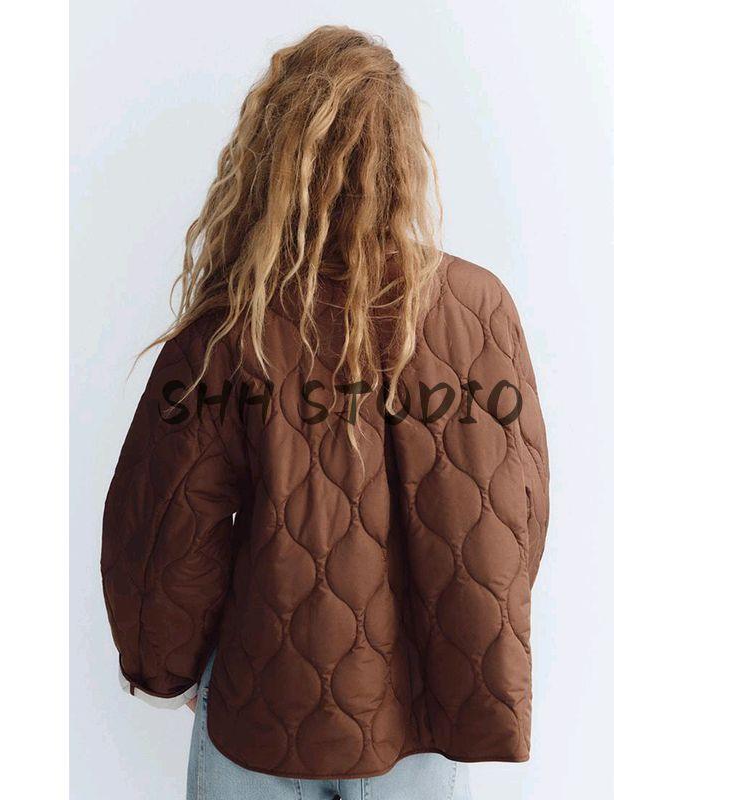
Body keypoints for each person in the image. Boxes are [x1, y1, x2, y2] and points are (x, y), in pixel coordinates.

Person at [101, 25, 549, 800]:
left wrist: (166, 668)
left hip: (259, 709)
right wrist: (456, 643)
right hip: (419, 721)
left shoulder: (233, 325)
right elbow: (517, 513)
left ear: (271, 153)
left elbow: (165, 526)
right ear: (404, 156)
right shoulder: (478, 310)